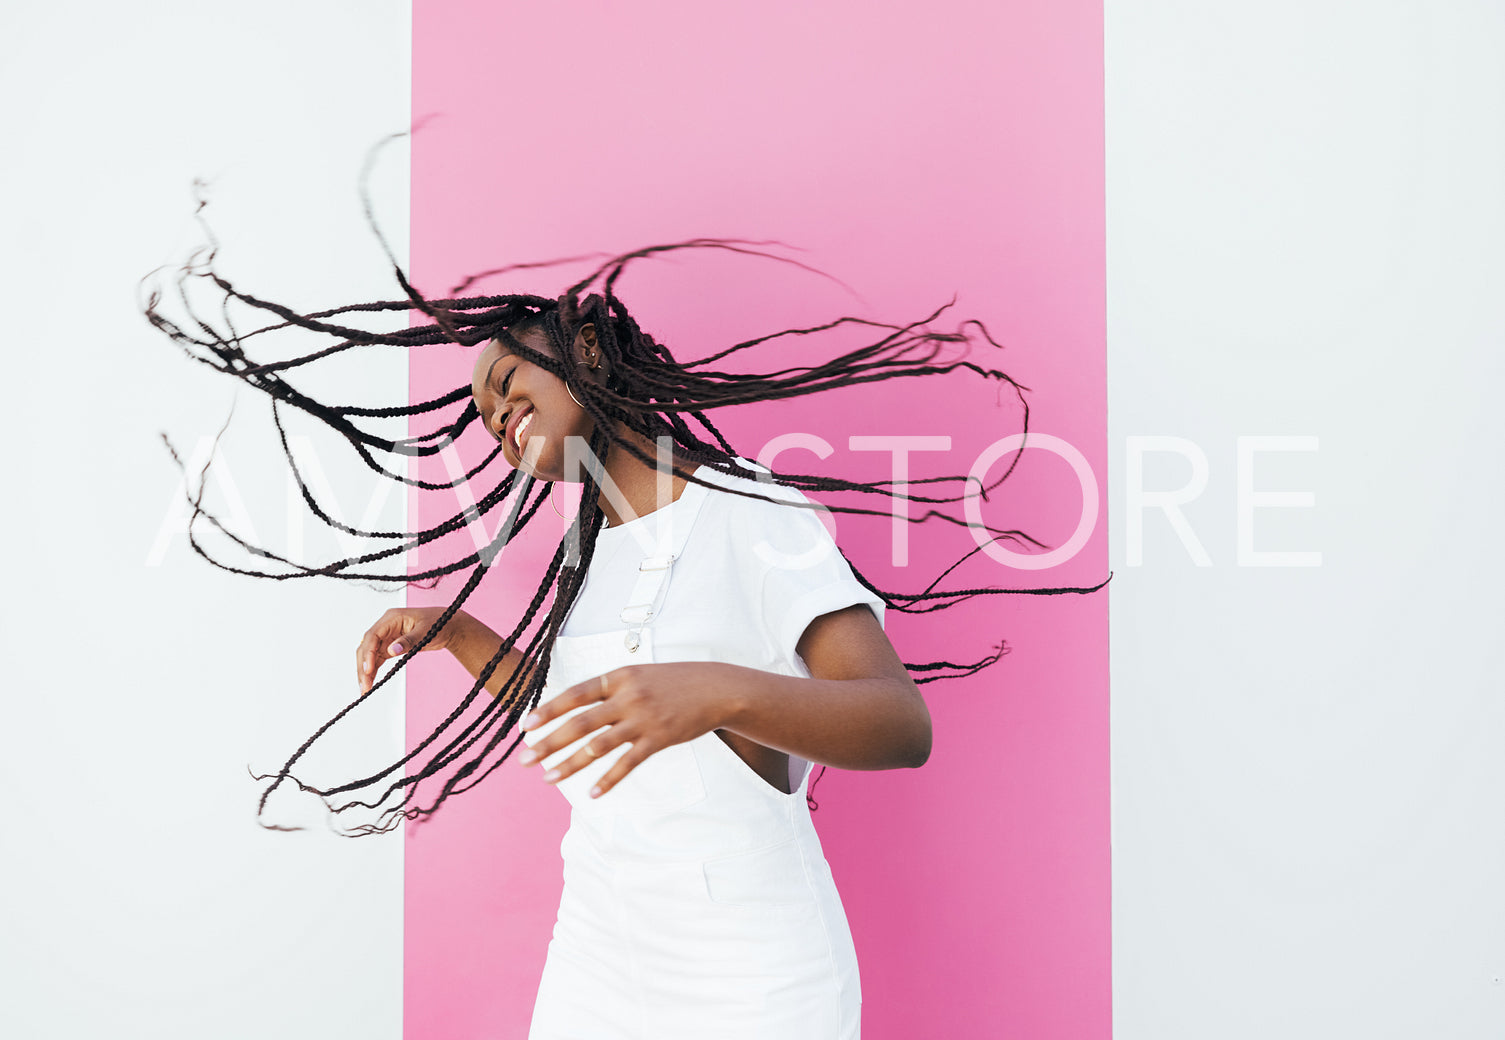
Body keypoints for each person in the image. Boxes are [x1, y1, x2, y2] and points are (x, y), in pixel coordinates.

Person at [145, 236, 1105, 1038]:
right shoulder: (588, 554)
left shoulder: (754, 515)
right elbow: (590, 718)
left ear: (591, 360)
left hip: (751, 973)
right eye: (484, 414)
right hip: (600, 953)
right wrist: (465, 635)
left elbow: (901, 725)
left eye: (510, 385)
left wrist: (719, 690)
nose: (495, 417)